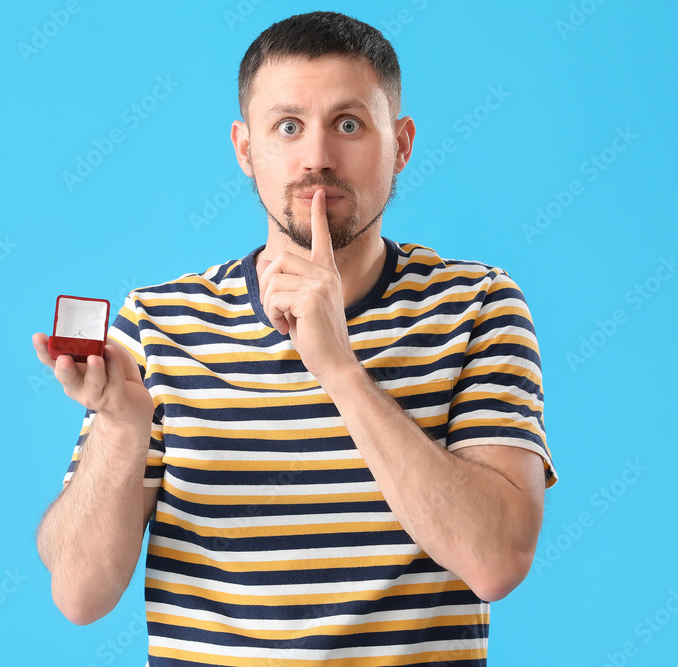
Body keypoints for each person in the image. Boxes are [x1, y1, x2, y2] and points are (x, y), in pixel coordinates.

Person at [33, 10, 557, 666]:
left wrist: (339, 368)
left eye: (348, 124)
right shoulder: (159, 325)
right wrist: (121, 426)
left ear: (401, 144)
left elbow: (497, 559)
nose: (317, 158)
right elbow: (79, 593)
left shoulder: (478, 306)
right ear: (246, 149)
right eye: (288, 126)